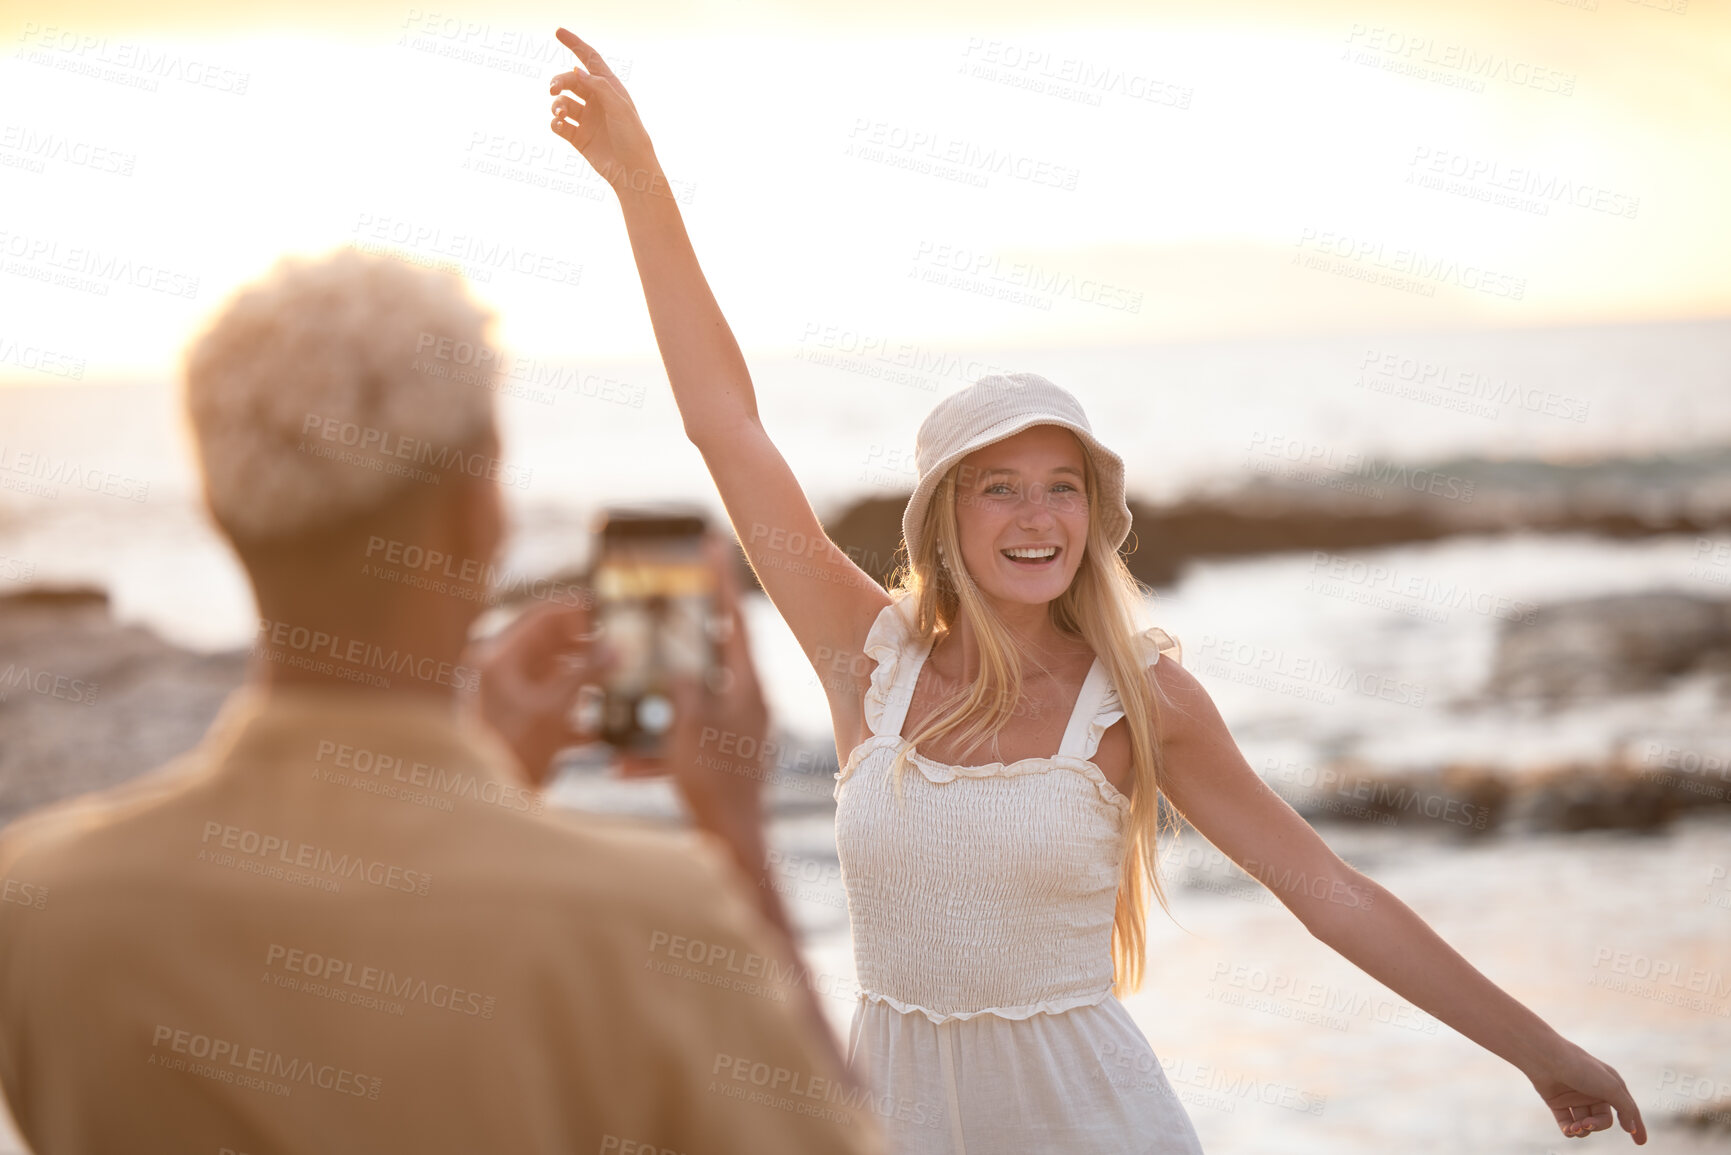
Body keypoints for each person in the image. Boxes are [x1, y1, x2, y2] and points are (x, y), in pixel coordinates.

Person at [544, 26, 1650, 1152]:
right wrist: (642, 186)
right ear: (943, 518)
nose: (1038, 520)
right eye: (1001, 490)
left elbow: (1329, 892)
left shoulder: (1140, 700)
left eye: (1063, 487)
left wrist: (1540, 1049)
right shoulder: (867, 662)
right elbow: (726, 427)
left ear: (1093, 510)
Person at [0, 248, 884, 1154]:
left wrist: (496, 780)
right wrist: (737, 843)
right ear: (480, 514)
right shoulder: (651, 923)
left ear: (224, 512)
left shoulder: (42, 907)